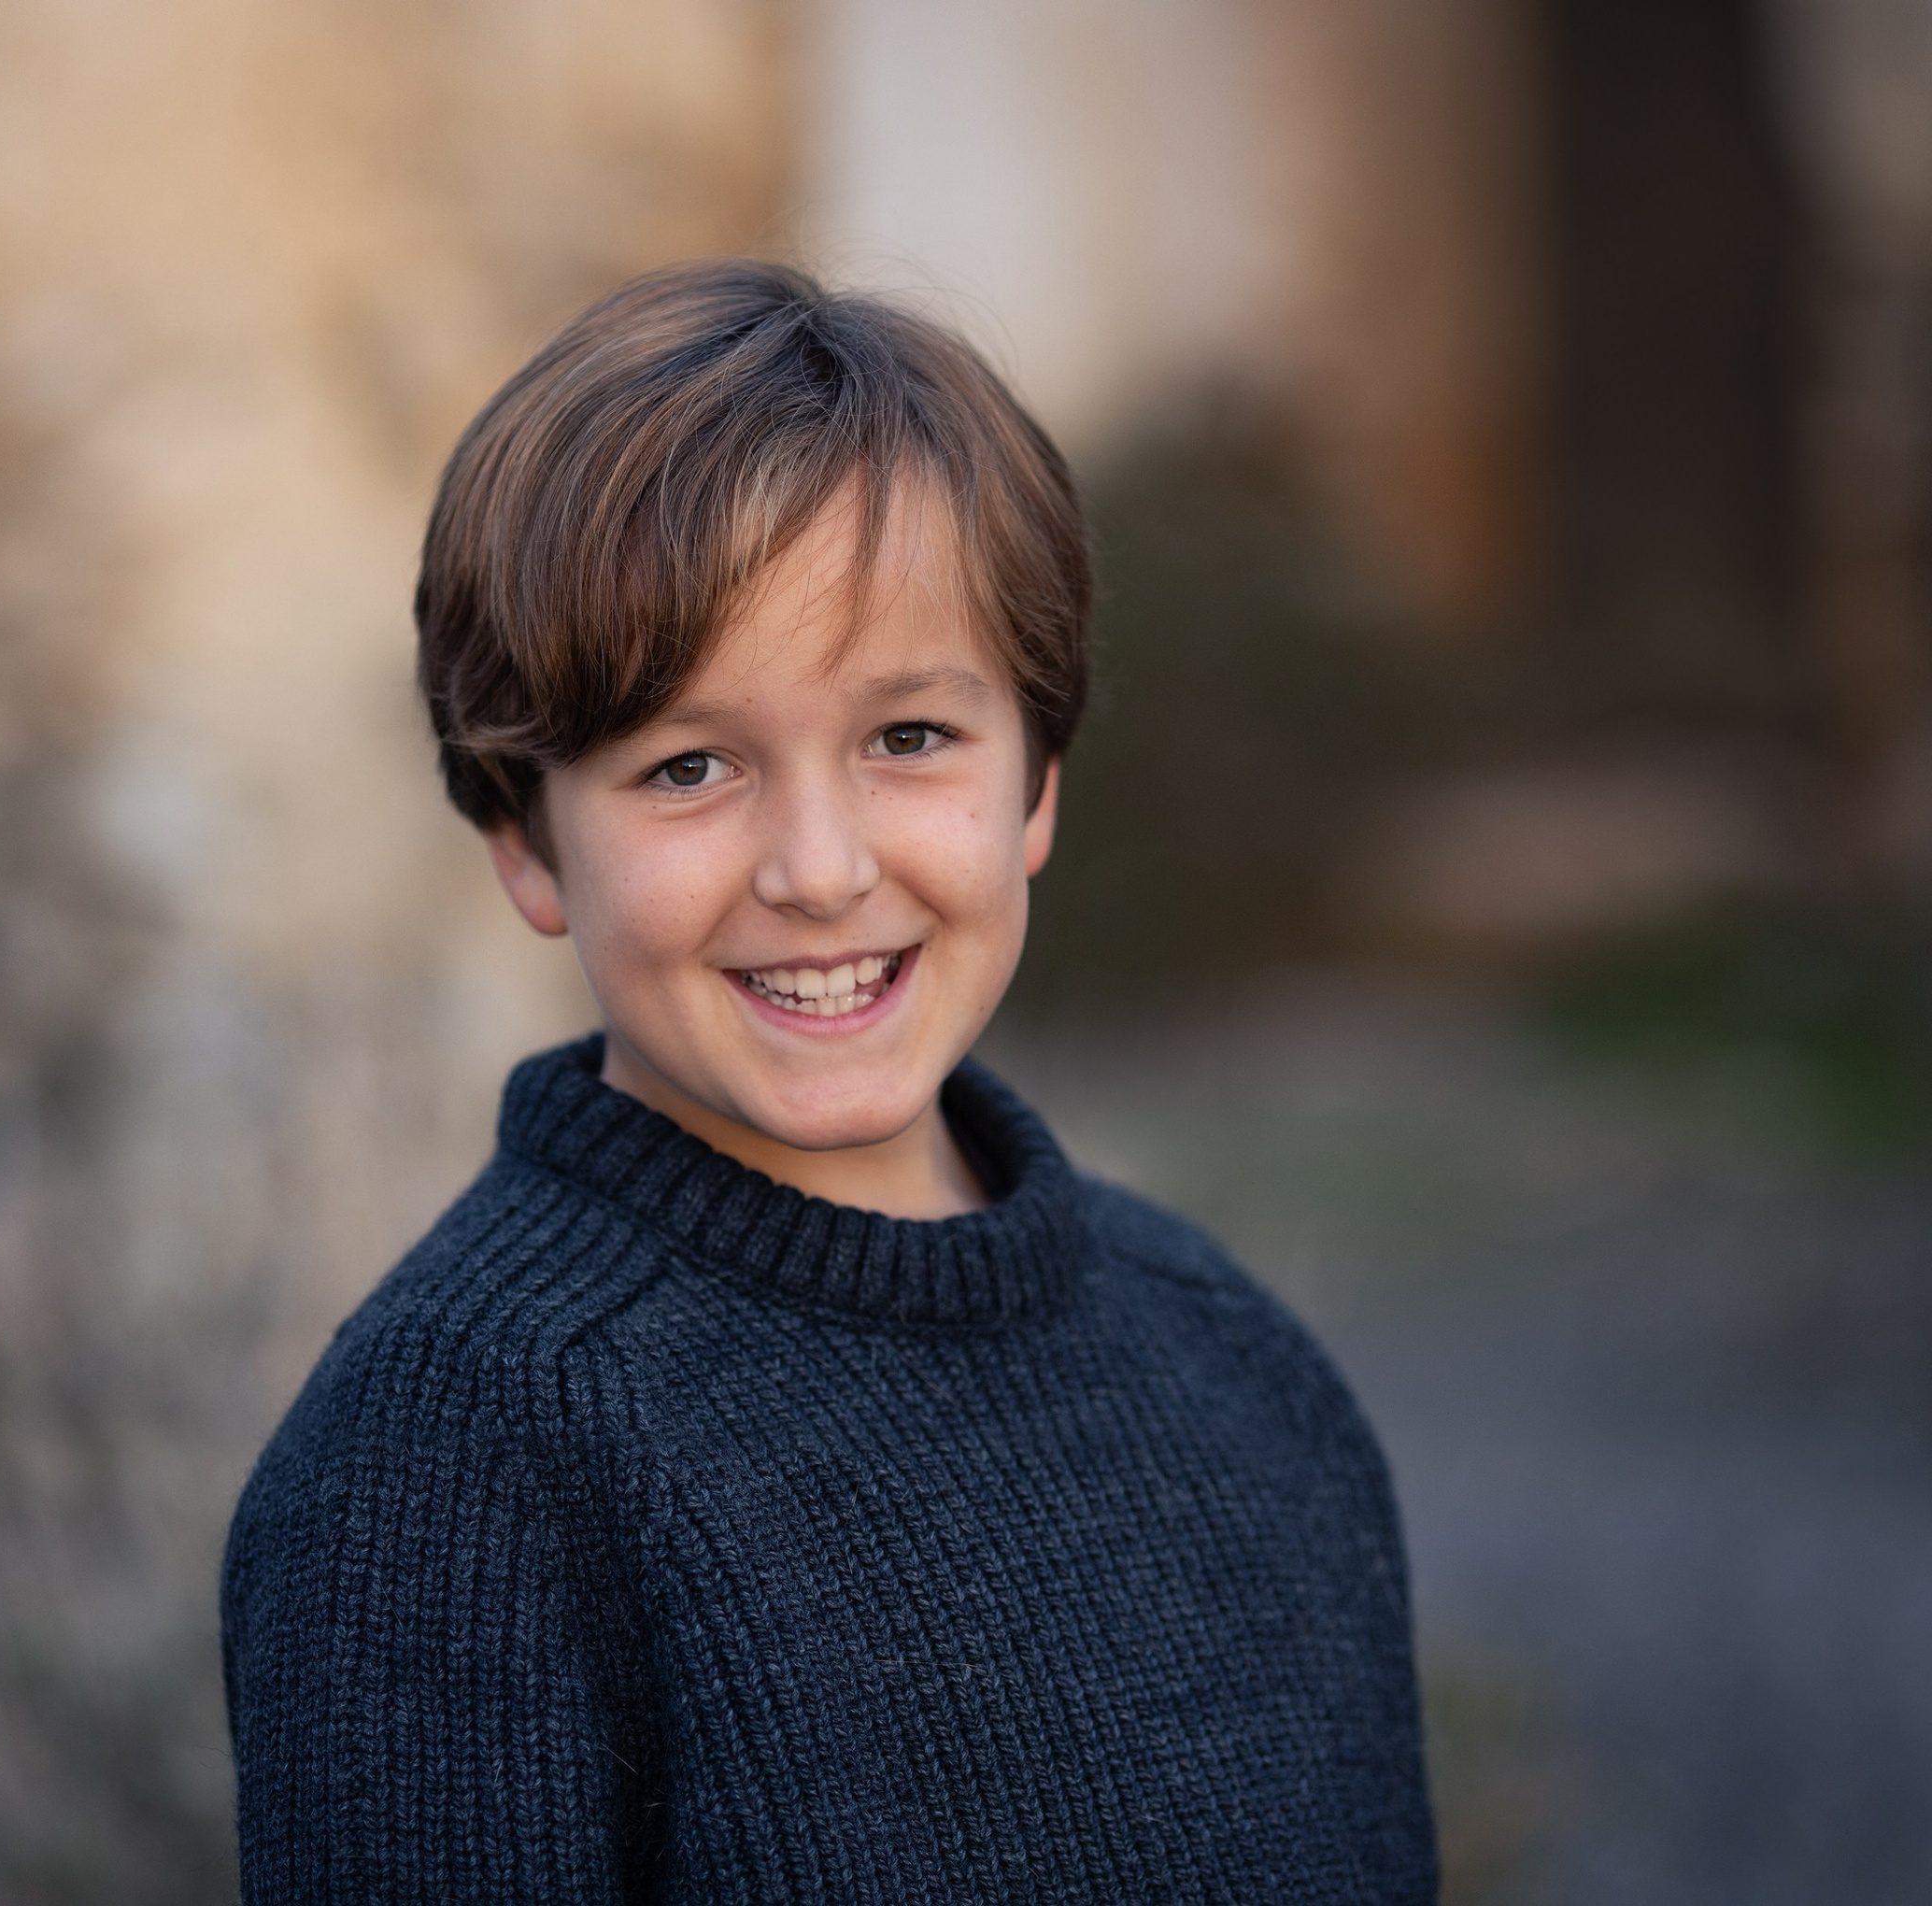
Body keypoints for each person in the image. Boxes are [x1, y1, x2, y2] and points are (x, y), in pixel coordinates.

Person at [220, 260, 1438, 1902]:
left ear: (1038, 782)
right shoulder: (450, 1471)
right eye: (689, 766)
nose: (817, 866)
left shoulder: (1237, 1365)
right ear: (525, 842)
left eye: (910, 739)